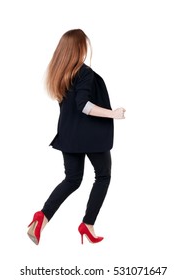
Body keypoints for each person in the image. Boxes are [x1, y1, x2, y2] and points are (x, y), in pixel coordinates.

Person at [27, 29, 125, 245]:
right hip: (90, 136)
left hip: (68, 135)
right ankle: (87, 224)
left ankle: (41, 218)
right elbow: (84, 106)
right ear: (79, 48)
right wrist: (113, 114)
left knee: (72, 179)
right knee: (103, 176)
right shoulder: (83, 72)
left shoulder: (59, 74)